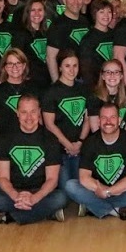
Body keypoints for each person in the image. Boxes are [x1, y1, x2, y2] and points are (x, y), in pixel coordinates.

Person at [0, 95, 68, 225]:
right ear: (17, 113)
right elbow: (2, 178)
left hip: (39, 191)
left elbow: (52, 180)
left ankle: (8, 217)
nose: (29, 117)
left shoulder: (50, 139)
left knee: (60, 198)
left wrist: (34, 198)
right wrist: (16, 196)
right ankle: (45, 213)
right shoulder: (5, 138)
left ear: (39, 112)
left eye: (33, 112)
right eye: (24, 112)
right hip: (13, 191)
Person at [68, 103, 126, 220]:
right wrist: (101, 190)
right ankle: (115, 210)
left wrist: (108, 192)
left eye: (112, 117)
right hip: (96, 191)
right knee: (70, 186)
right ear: (99, 121)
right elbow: (84, 177)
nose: (108, 121)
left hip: (120, 191)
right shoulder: (90, 142)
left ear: (119, 120)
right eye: (104, 118)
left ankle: (93, 206)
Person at [42, 51, 89, 186]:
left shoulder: (84, 89)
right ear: (60, 67)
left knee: (81, 187)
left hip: (80, 149)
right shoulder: (51, 92)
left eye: (75, 65)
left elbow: (88, 119)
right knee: (67, 190)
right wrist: (68, 145)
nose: (72, 70)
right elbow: (49, 124)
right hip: (59, 151)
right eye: (67, 66)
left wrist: (80, 142)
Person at [0, 49, 36, 155]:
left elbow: (39, 120)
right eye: (10, 64)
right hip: (5, 147)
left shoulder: (33, 88)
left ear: (24, 65)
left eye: (18, 63)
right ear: (5, 67)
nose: (15, 67)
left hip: (30, 146)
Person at [78, 0, 117, 84]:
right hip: (97, 84)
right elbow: (86, 70)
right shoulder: (88, 39)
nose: (106, 15)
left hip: (115, 82)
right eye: (102, 12)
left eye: (109, 12)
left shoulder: (116, 35)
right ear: (95, 14)